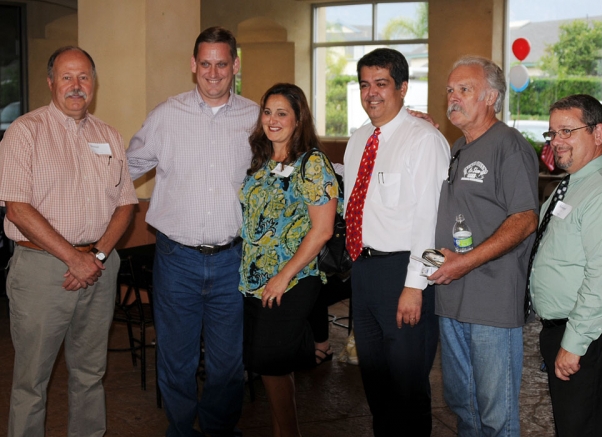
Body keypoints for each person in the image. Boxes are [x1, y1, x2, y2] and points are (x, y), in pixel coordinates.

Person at [126, 27, 258, 437]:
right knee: (176, 358)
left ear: (235, 66)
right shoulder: (167, 115)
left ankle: (218, 429)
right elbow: (123, 169)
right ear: (193, 66)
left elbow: (303, 159)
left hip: (232, 260)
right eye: (206, 64)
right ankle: (181, 429)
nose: (214, 73)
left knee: (228, 363)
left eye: (222, 64)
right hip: (176, 259)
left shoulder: (256, 117)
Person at [0, 46, 138, 437]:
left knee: (90, 374)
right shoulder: (25, 132)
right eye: (67, 77)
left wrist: (94, 256)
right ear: (50, 83)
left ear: (94, 84)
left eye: (84, 78)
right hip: (42, 271)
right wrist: (72, 259)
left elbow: (126, 204)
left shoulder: (108, 135)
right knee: (31, 382)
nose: (76, 86)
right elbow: (17, 209)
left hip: (100, 264)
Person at [428, 56, 539, 436]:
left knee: (496, 413)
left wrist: (466, 262)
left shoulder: (509, 146)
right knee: (464, 406)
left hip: (491, 302)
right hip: (453, 299)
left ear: (491, 96)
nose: (453, 98)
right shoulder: (459, 146)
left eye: (464, 89)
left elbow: (525, 218)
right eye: (450, 90)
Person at [343, 48, 450, 436]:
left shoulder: (423, 140)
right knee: (375, 384)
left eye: (381, 84)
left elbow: (430, 221)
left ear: (403, 88)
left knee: (408, 389)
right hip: (364, 270)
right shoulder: (359, 139)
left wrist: (414, 286)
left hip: (404, 274)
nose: (371, 93)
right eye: (364, 84)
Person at [530, 94, 602, 437]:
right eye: (552, 133)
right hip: (572, 329)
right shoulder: (572, 183)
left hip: (593, 332)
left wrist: (573, 344)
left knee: (587, 428)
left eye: (566, 131)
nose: (556, 142)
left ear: (597, 133)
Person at [239, 83, 338, 436]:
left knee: (271, 364)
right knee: (273, 367)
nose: (272, 119)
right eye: (267, 111)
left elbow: (323, 230)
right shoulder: (263, 161)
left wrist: (283, 276)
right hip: (255, 282)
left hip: (291, 282)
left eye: (282, 113)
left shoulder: (312, 164)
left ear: (298, 120)